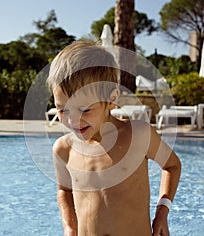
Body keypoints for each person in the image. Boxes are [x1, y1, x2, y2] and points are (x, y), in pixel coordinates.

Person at [47, 40, 181, 236]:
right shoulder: (63, 150)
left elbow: (172, 166)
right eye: (62, 109)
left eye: (85, 109)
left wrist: (163, 210)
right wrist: (69, 227)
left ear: (111, 99)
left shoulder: (138, 135)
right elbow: (64, 191)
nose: (73, 119)